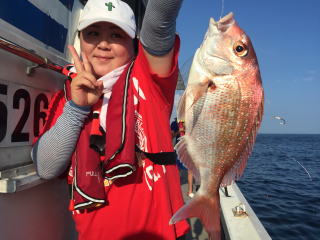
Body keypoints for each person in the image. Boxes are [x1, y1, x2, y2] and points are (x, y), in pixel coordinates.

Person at [31, 0, 190, 239]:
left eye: (116, 35)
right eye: (93, 34)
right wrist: (77, 109)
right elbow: (46, 167)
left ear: (133, 44)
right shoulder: (68, 96)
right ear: (80, 41)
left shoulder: (150, 81)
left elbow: (160, 20)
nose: (103, 44)